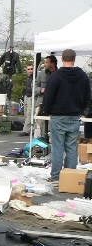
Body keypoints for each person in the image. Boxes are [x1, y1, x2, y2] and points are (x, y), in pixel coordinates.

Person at [43, 49, 91, 182]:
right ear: (74, 59)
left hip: (58, 116)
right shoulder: (82, 75)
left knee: (58, 147)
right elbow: (88, 95)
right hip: (75, 116)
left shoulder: (56, 76)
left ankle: (56, 177)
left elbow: (48, 96)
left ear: (63, 59)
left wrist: (46, 110)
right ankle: (70, 177)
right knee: (71, 147)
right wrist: (82, 110)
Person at [35, 55, 58, 137]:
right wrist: (40, 90)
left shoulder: (59, 74)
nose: (44, 64)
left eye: (46, 62)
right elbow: (34, 87)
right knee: (40, 126)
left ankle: (52, 145)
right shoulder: (41, 74)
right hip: (41, 103)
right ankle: (41, 144)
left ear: (52, 63)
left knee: (53, 128)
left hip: (55, 105)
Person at [21, 64, 37, 136]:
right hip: (26, 97)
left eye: (31, 69)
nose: (30, 70)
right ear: (26, 70)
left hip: (32, 97)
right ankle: (31, 130)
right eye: (28, 69)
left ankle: (25, 130)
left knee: (29, 114)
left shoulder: (35, 77)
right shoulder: (28, 78)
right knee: (25, 113)